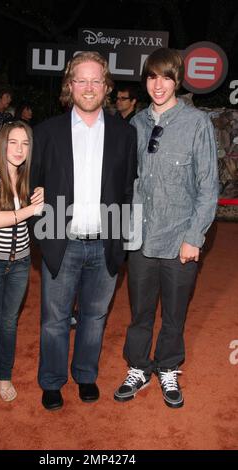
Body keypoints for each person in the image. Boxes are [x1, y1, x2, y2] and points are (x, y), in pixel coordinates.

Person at [30, 51, 137, 411]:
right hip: (63, 241)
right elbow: (33, 185)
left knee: (95, 317)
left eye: (96, 80)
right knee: (54, 319)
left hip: (106, 242)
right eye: (81, 80)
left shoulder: (125, 133)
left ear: (106, 87)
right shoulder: (46, 132)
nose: (88, 87)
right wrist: (44, 234)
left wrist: (121, 243)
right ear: (69, 85)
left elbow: (127, 190)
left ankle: (86, 375)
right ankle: (51, 380)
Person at [114, 48, 219, 408]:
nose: (159, 85)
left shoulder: (196, 123)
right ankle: (139, 366)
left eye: (166, 77)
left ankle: (169, 366)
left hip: (179, 240)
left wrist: (194, 237)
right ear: (146, 81)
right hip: (140, 237)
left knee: (174, 313)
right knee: (140, 312)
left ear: (177, 80)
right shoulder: (135, 124)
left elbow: (208, 187)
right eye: (152, 77)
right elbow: (126, 182)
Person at [0, 121, 43, 405]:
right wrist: (31, 208)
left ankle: (5, 375)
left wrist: (43, 195)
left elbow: (39, 216)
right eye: (12, 142)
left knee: (10, 323)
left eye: (24, 143)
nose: (18, 149)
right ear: (1, 145)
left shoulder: (29, 178)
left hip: (21, 263)